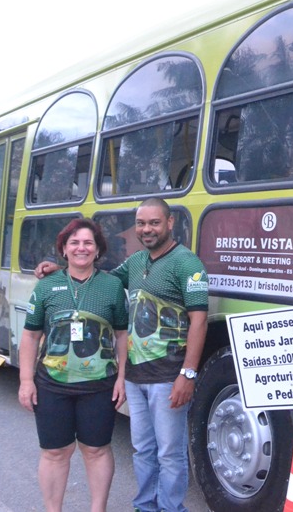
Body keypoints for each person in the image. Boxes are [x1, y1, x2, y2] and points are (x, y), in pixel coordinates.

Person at [37, 198, 208, 512]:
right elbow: (100, 282)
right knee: (142, 449)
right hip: (135, 376)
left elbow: (199, 319)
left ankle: (170, 508)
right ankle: (145, 505)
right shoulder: (137, 261)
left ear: (170, 223)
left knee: (170, 452)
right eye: (141, 223)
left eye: (154, 222)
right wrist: (61, 270)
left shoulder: (187, 263)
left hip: (169, 377)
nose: (146, 229)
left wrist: (189, 373)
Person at [19, 218, 129, 512]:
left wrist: (121, 378)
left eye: (88, 243)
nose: (81, 248)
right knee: (55, 452)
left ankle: (98, 508)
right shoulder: (46, 287)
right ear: (64, 250)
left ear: (97, 250)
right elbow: (30, 335)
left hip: (100, 385)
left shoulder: (112, 286)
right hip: (52, 384)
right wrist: (26, 381)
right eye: (74, 243)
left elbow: (121, 334)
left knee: (96, 450)